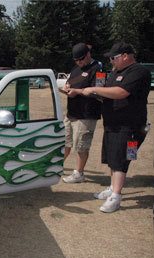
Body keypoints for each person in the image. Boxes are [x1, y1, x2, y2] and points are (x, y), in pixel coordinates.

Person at [77, 41, 151, 213]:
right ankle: (112, 187)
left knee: (121, 159)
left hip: (130, 126)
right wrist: (93, 93)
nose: (111, 61)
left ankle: (116, 196)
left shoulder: (139, 72)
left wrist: (94, 89)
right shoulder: (115, 72)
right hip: (112, 124)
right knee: (112, 157)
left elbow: (121, 92)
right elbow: (108, 92)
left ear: (125, 56)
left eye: (113, 58)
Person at [61, 43, 102, 183]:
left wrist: (77, 92)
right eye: (76, 60)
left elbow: (99, 91)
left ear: (88, 54)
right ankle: (57, 167)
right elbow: (69, 82)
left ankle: (79, 173)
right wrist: (67, 86)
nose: (79, 62)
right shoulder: (75, 69)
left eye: (81, 59)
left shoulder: (98, 69)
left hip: (86, 115)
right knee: (65, 142)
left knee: (81, 146)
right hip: (71, 113)